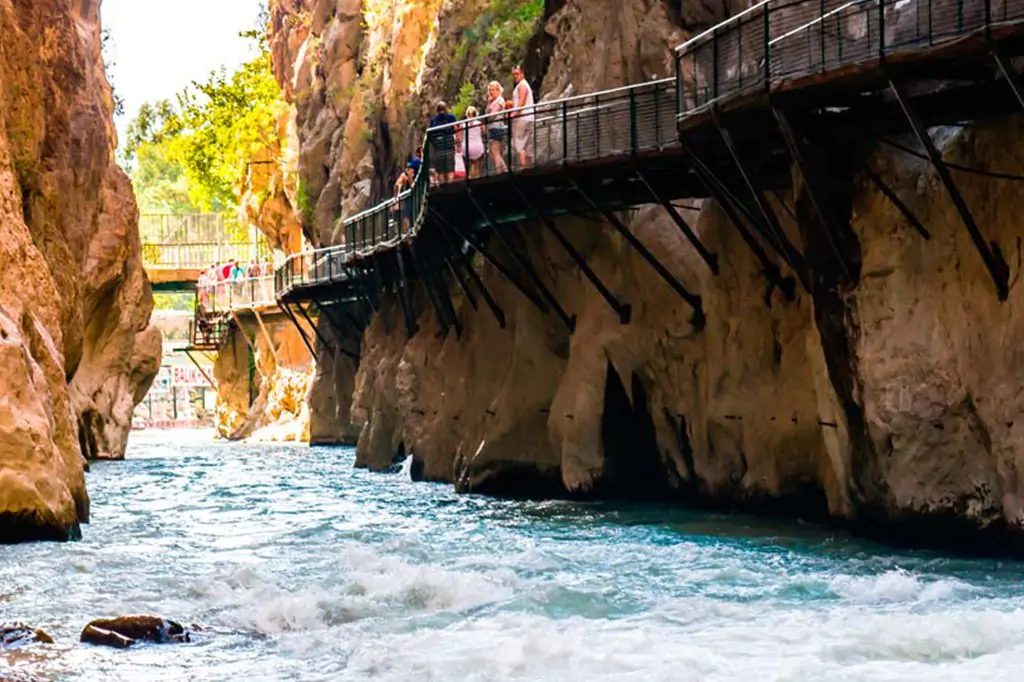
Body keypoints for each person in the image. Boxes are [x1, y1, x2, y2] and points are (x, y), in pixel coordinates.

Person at [511, 66, 535, 168]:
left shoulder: (522, 85)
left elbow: (522, 101)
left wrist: (513, 114)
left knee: (519, 145)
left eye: (517, 74)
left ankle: (523, 168)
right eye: (513, 75)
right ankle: (529, 168)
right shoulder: (524, 85)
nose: (515, 76)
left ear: (522, 74)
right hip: (529, 117)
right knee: (528, 145)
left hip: (522, 118)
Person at [428, 101, 457, 183]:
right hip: (449, 147)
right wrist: (457, 142)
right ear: (445, 109)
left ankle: (443, 188)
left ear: (437, 110)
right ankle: (450, 186)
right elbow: (456, 129)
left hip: (438, 150)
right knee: (450, 170)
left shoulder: (433, 121)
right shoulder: (451, 118)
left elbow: (430, 135)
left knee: (440, 172)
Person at [485, 81, 507, 173]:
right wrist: (489, 102)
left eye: (493, 90)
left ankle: (498, 173)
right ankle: (504, 169)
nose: (491, 92)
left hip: (497, 128)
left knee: (495, 151)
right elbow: (486, 112)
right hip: (492, 128)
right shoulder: (492, 101)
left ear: (498, 90)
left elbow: (492, 115)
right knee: (493, 151)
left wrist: (488, 116)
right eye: (489, 90)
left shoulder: (499, 100)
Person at [464, 106, 485, 178]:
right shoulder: (480, 124)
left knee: (470, 161)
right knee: (478, 160)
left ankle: (470, 175)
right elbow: (484, 133)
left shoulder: (463, 124)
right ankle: (477, 175)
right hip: (477, 147)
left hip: (466, 148)